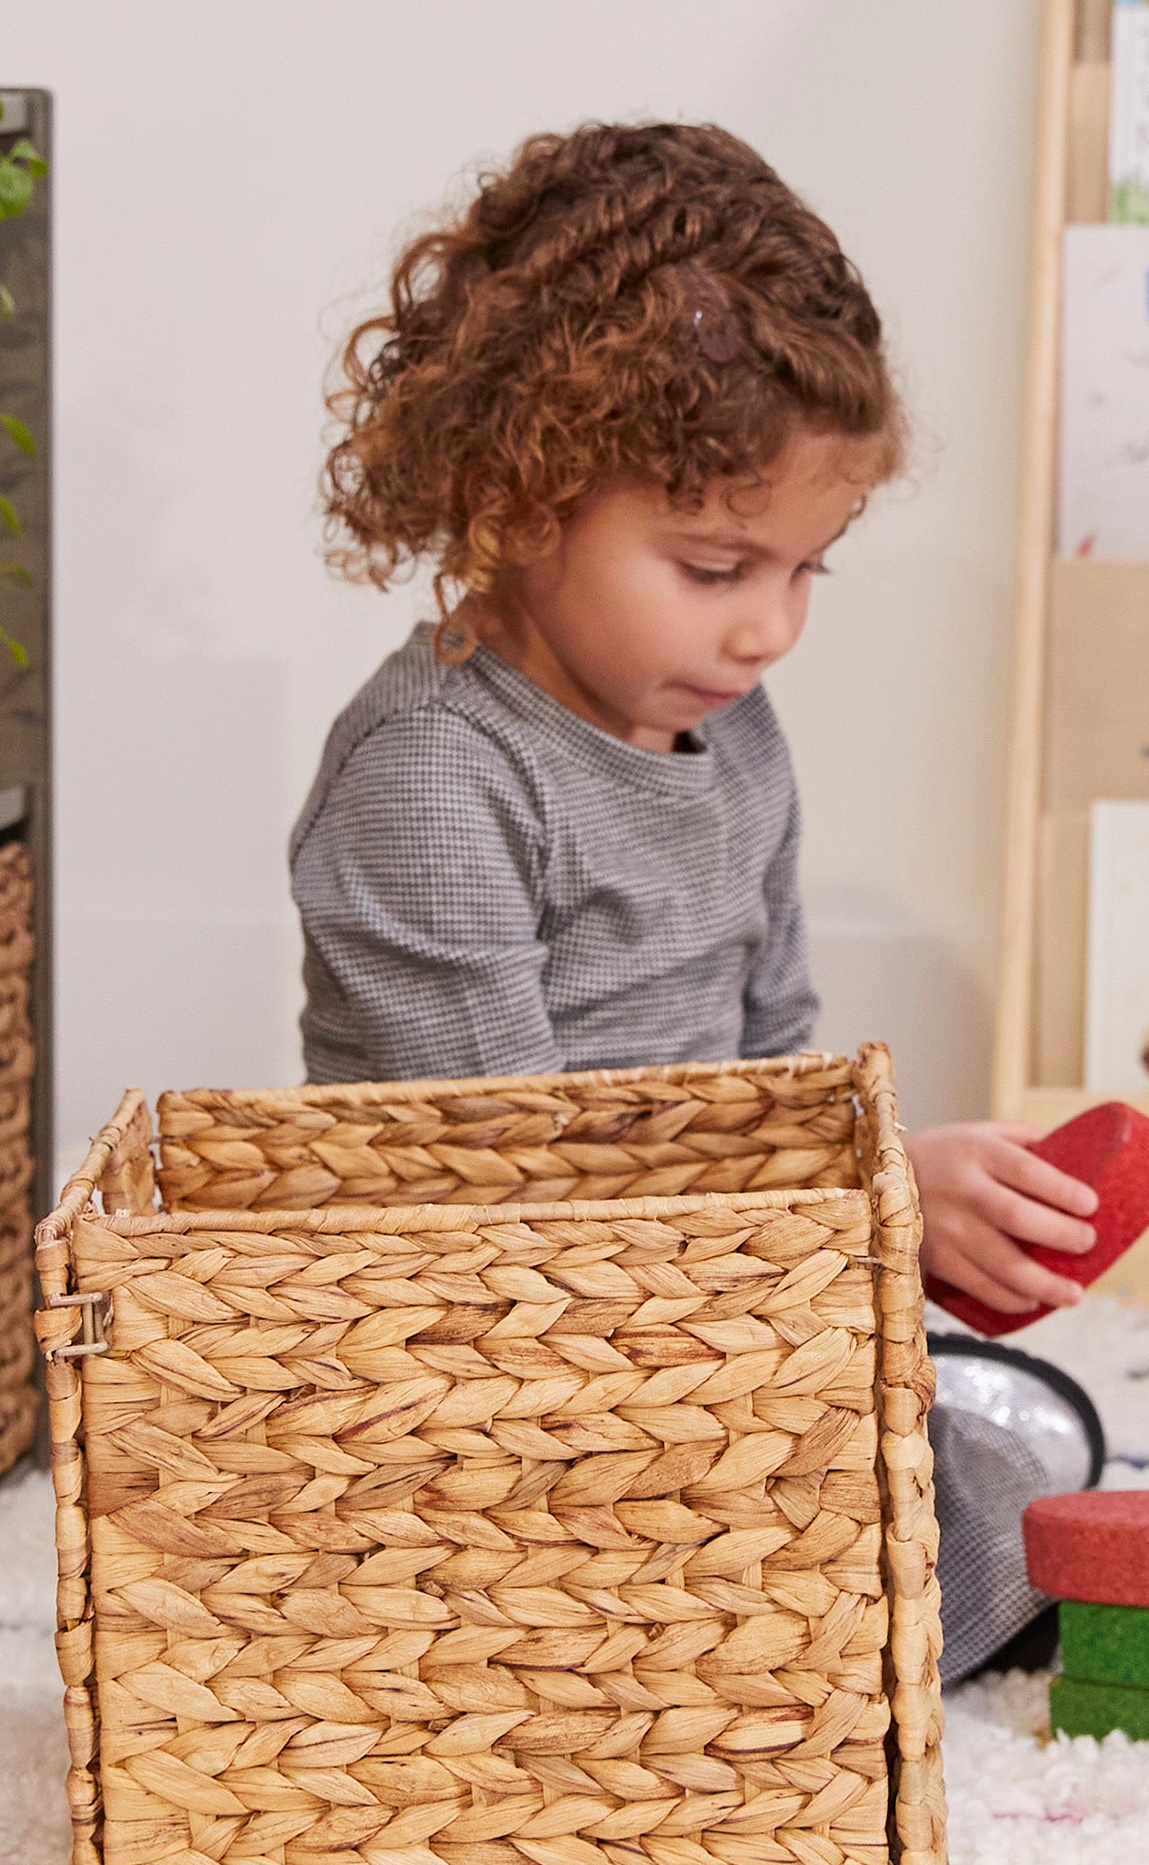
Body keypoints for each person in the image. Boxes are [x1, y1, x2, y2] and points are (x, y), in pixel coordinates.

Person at [291, 118, 1106, 1671]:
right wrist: (863, 1210)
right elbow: (497, 1200)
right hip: (491, 1351)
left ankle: (895, 1511)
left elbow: (778, 1057)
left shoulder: (722, 729)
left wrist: (870, 1225)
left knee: (969, 1448)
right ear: (514, 499)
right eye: (717, 567)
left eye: (811, 568)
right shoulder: (435, 779)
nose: (770, 631)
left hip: (695, 1308)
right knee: (813, 1551)